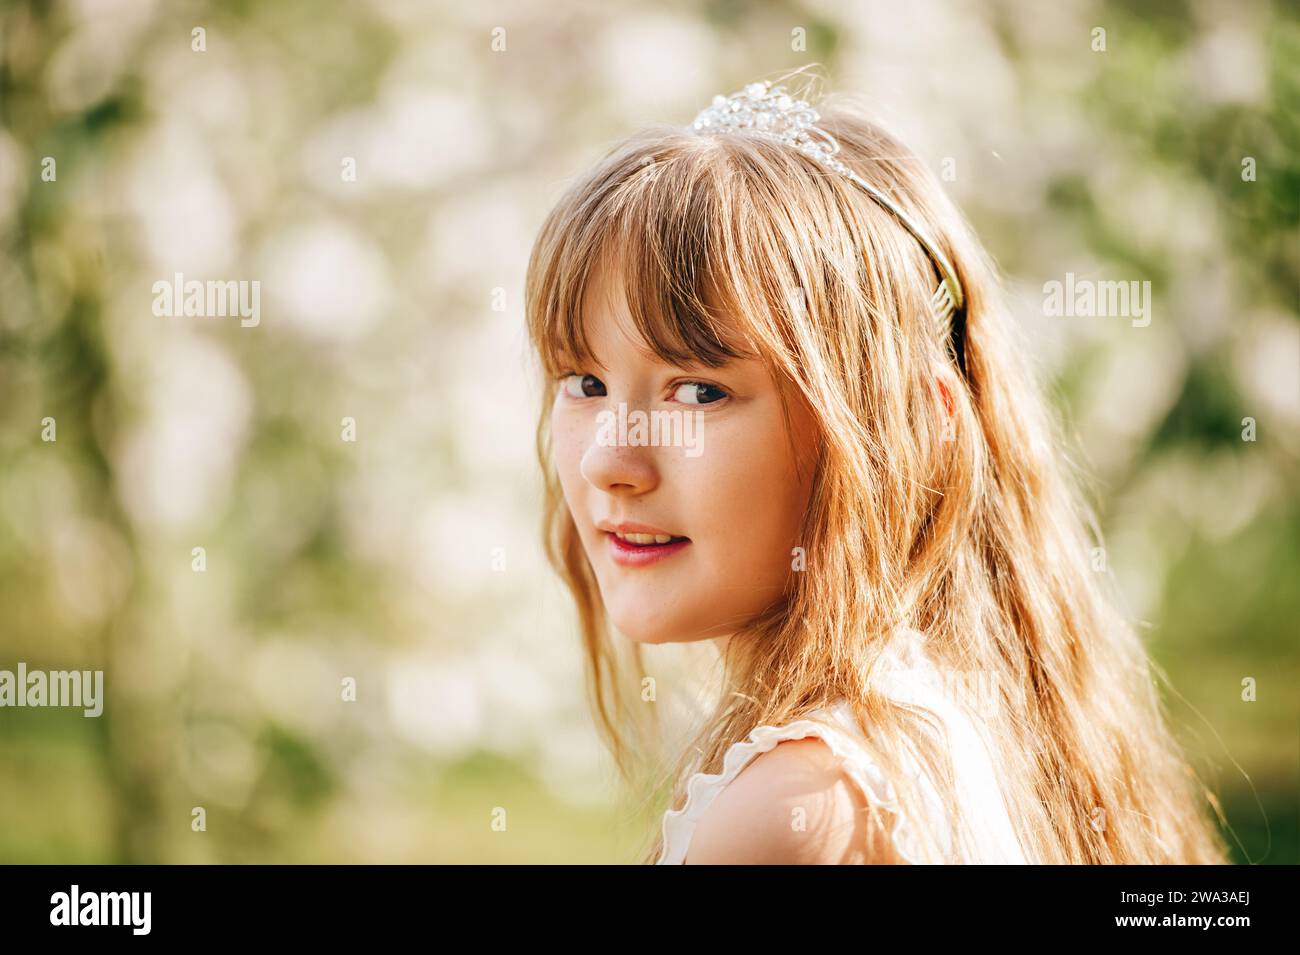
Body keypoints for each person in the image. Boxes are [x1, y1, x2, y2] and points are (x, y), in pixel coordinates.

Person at [523, 68, 1228, 864]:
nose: (610, 461)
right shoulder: (956, 725)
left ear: (911, 425)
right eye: (584, 382)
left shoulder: (794, 812)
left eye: (699, 390)